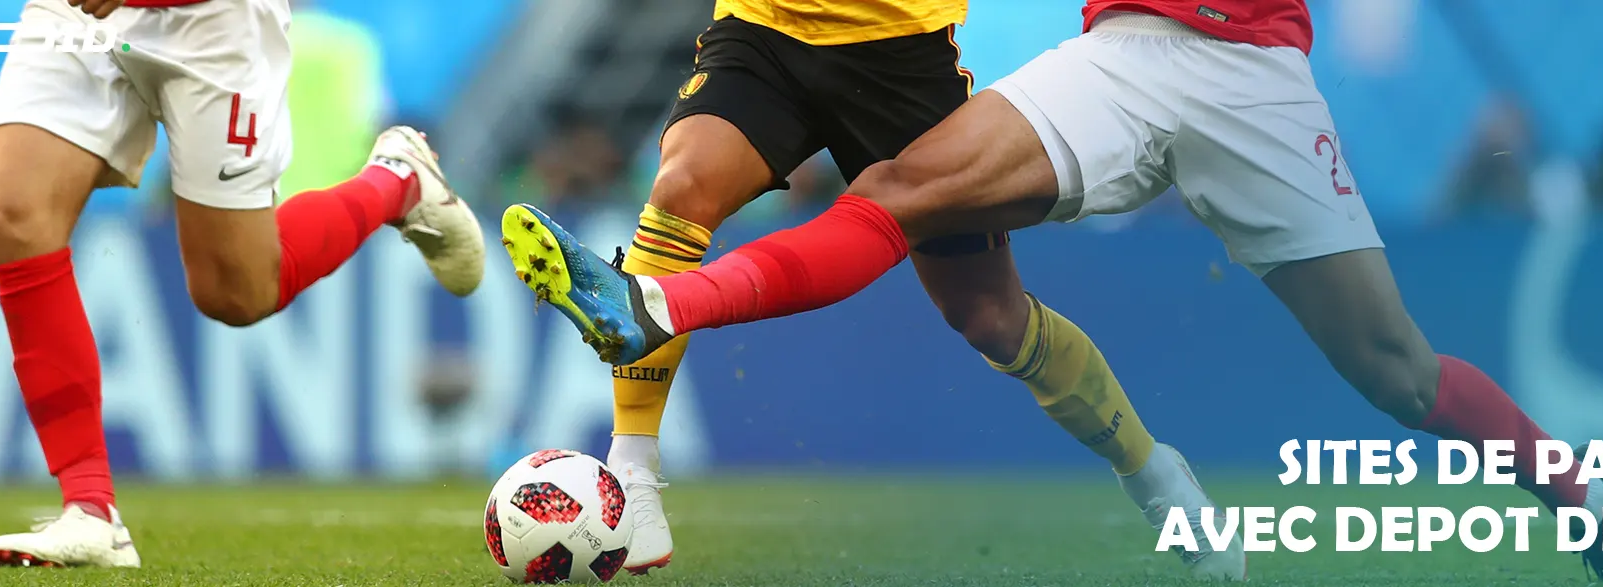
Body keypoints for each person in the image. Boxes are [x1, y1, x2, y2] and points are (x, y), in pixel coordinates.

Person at [504, 0, 1603, 581]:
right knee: (879, 190)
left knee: (1393, 371)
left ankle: (1581, 490)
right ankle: (657, 326)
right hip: (1121, 55)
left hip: (1258, 79)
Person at [505, 0, 1241, 579]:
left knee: (990, 318)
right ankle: (632, 469)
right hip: (767, 32)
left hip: (902, 58)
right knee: (681, 185)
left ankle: (1152, 473)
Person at [0, 0, 486, 568]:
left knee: (236, 292)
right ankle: (90, 510)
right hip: (73, 18)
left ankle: (397, 181)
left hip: (212, 19)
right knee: (14, 217)